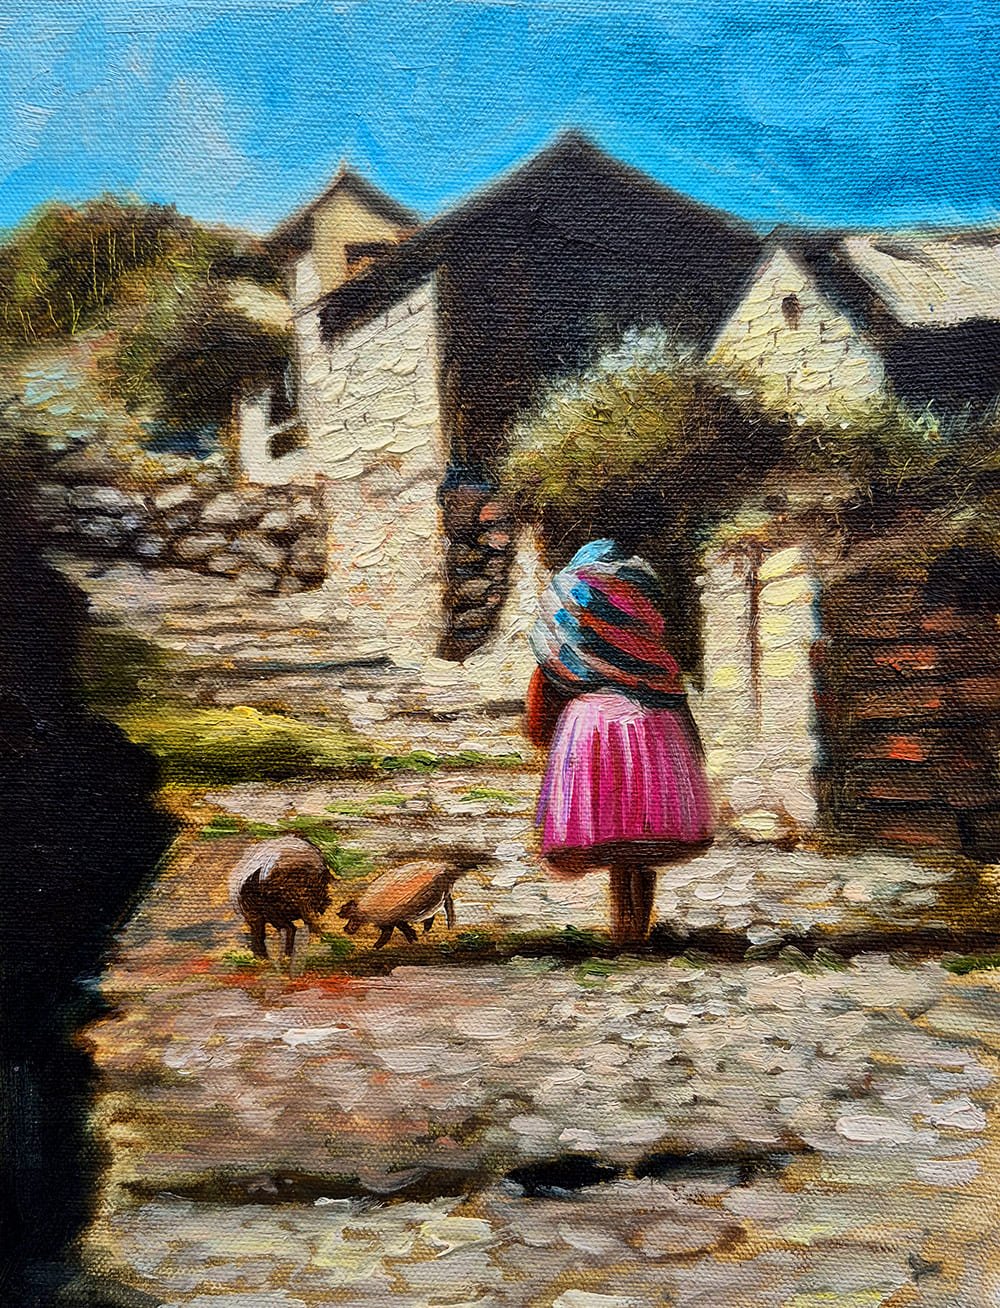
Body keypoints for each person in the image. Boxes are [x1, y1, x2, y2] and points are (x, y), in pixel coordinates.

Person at [525, 538, 714, 946]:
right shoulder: (647, 632)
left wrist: (541, 729)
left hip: (591, 725)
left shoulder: (566, 615)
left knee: (614, 835)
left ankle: (623, 932)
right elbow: (668, 679)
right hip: (653, 725)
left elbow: (545, 680)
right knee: (640, 839)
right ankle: (635, 930)